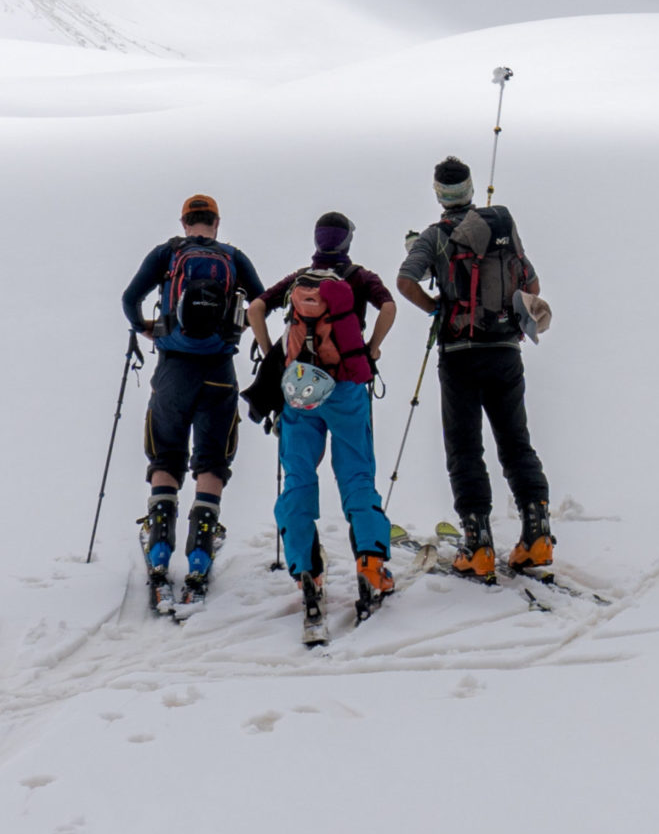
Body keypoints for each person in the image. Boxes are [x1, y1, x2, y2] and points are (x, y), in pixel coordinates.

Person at [397, 156, 553, 582]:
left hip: (460, 352)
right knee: (516, 443)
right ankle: (537, 536)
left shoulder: (435, 236)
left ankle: (477, 545)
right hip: (505, 349)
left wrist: (437, 308)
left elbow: (406, 281)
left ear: (438, 193)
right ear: (470, 190)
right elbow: (532, 285)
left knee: (465, 449)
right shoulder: (501, 228)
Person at [246, 212, 399, 621]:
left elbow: (255, 308)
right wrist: (370, 348)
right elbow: (389, 307)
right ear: (347, 240)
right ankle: (370, 565)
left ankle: (307, 574)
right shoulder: (359, 277)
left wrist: (270, 355)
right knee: (356, 475)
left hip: (299, 388)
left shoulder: (301, 279)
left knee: (299, 476)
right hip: (347, 387)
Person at [120, 193, 265, 606]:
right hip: (219, 371)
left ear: (185, 223)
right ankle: (200, 555)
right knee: (212, 459)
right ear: (216, 222)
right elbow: (261, 303)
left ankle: (161, 546)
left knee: (166, 455)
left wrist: (148, 328)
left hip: (172, 369)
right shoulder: (233, 257)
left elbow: (129, 298)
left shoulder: (168, 254)